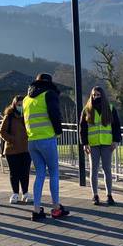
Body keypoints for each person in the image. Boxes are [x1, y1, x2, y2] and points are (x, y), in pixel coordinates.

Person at [24, 73, 69, 221]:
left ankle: (37, 209)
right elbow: (54, 115)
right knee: (54, 172)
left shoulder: (26, 99)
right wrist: (58, 131)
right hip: (47, 139)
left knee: (40, 174)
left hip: (32, 140)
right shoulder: (49, 94)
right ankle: (56, 207)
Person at [79, 86, 122, 206]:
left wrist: (116, 140)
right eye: (93, 95)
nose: (95, 97)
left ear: (102, 96)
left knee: (107, 169)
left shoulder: (110, 108)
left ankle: (109, 195)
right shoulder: (86, 109)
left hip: (107, 144)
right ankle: (95, 195)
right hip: (93, 144)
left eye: (98, 95)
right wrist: (84, 143)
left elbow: (116, 126)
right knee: (94, 170)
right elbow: (82, 128)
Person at [0, 95, 32, 204]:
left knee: (25, 172)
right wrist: (12, 139)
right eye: (18, 105)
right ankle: (15, 193)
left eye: (22, 104)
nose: (20, 107)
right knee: (14, 173)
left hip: (26, 149)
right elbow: (2, 131)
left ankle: (25, 193)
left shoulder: (27, 115)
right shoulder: (9, 116)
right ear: (14, 104)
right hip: (12, 150)